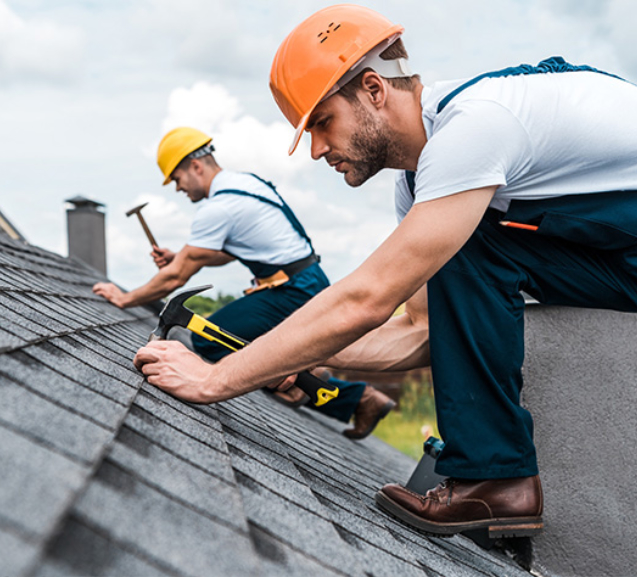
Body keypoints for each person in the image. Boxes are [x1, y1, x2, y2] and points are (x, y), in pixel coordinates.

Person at [134, 4, 637, 538]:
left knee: (470, 241)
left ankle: (496, 480)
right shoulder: (423, 184)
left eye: (323, 122)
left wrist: (216, 378)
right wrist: (280, 356)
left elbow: (366, 300)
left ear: (374, 89)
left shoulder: (476, 126)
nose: (317, 150)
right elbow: (419, 331)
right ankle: (498, 481)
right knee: (469, 244)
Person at [93, 126, 396, 439]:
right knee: (251, 344)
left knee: (209, 339)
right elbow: (225, 253)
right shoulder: (245, 184)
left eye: (177, 179)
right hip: (303, 281)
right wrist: (181, 256)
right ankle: (332, 389)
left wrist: (125, 298)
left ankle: (318, 386)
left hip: (291, 290)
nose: (178, 189)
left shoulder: (218, 207)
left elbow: (176, 276)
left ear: (195, 166)